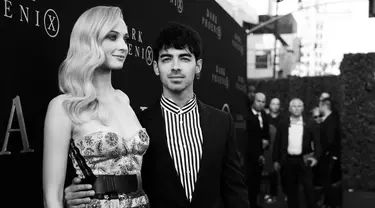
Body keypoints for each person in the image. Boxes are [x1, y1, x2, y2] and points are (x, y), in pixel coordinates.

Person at [64, 22, 249, 208]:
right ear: (155, 67)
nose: (175, 67)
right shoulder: (138, 127)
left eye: (184, 58)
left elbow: (235, 188)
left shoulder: (222, 122)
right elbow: (119, 179)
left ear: (198, 65)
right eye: (167, 59)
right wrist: (78, 192)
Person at [42, 6, 150, 208]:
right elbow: (52, 198)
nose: (124, 47)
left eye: (125, 39)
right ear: (88, 40)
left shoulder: (124, 99)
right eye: (112, 37)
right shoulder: (64, 106)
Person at [272, 98, 321, 208]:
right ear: (289, 109)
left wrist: (316, 158)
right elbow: (277, 143)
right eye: (294, 106)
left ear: (303, 108)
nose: (297, 108)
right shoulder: (283, 123)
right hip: (288, 161)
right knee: (291, 190)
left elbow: (318, 143)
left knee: (309, 189)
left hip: (304, 160)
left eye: (299, 106)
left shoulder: (310, 123)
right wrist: (275, 160)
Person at [245, 92, 270, 208]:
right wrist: (257, 154)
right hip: (248, 157)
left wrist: (266, 140)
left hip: (261, 156)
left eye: (263, 102)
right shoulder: (246, 116)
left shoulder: (264, 116)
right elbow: (248, 139)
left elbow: (266, 134)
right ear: (253, 101)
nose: (261, 104)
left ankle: (254, 204)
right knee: (248, 182)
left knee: (257, 182)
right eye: (258, 101)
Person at [263, 98, 282, 204]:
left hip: (281, 148)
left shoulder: (283, 119)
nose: (275, 106)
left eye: (277, 104)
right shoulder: (265, 118)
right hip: (268, 149)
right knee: (270, 171)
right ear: (269, 105)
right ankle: (271, 193)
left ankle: (281, 194)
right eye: (273, 104)